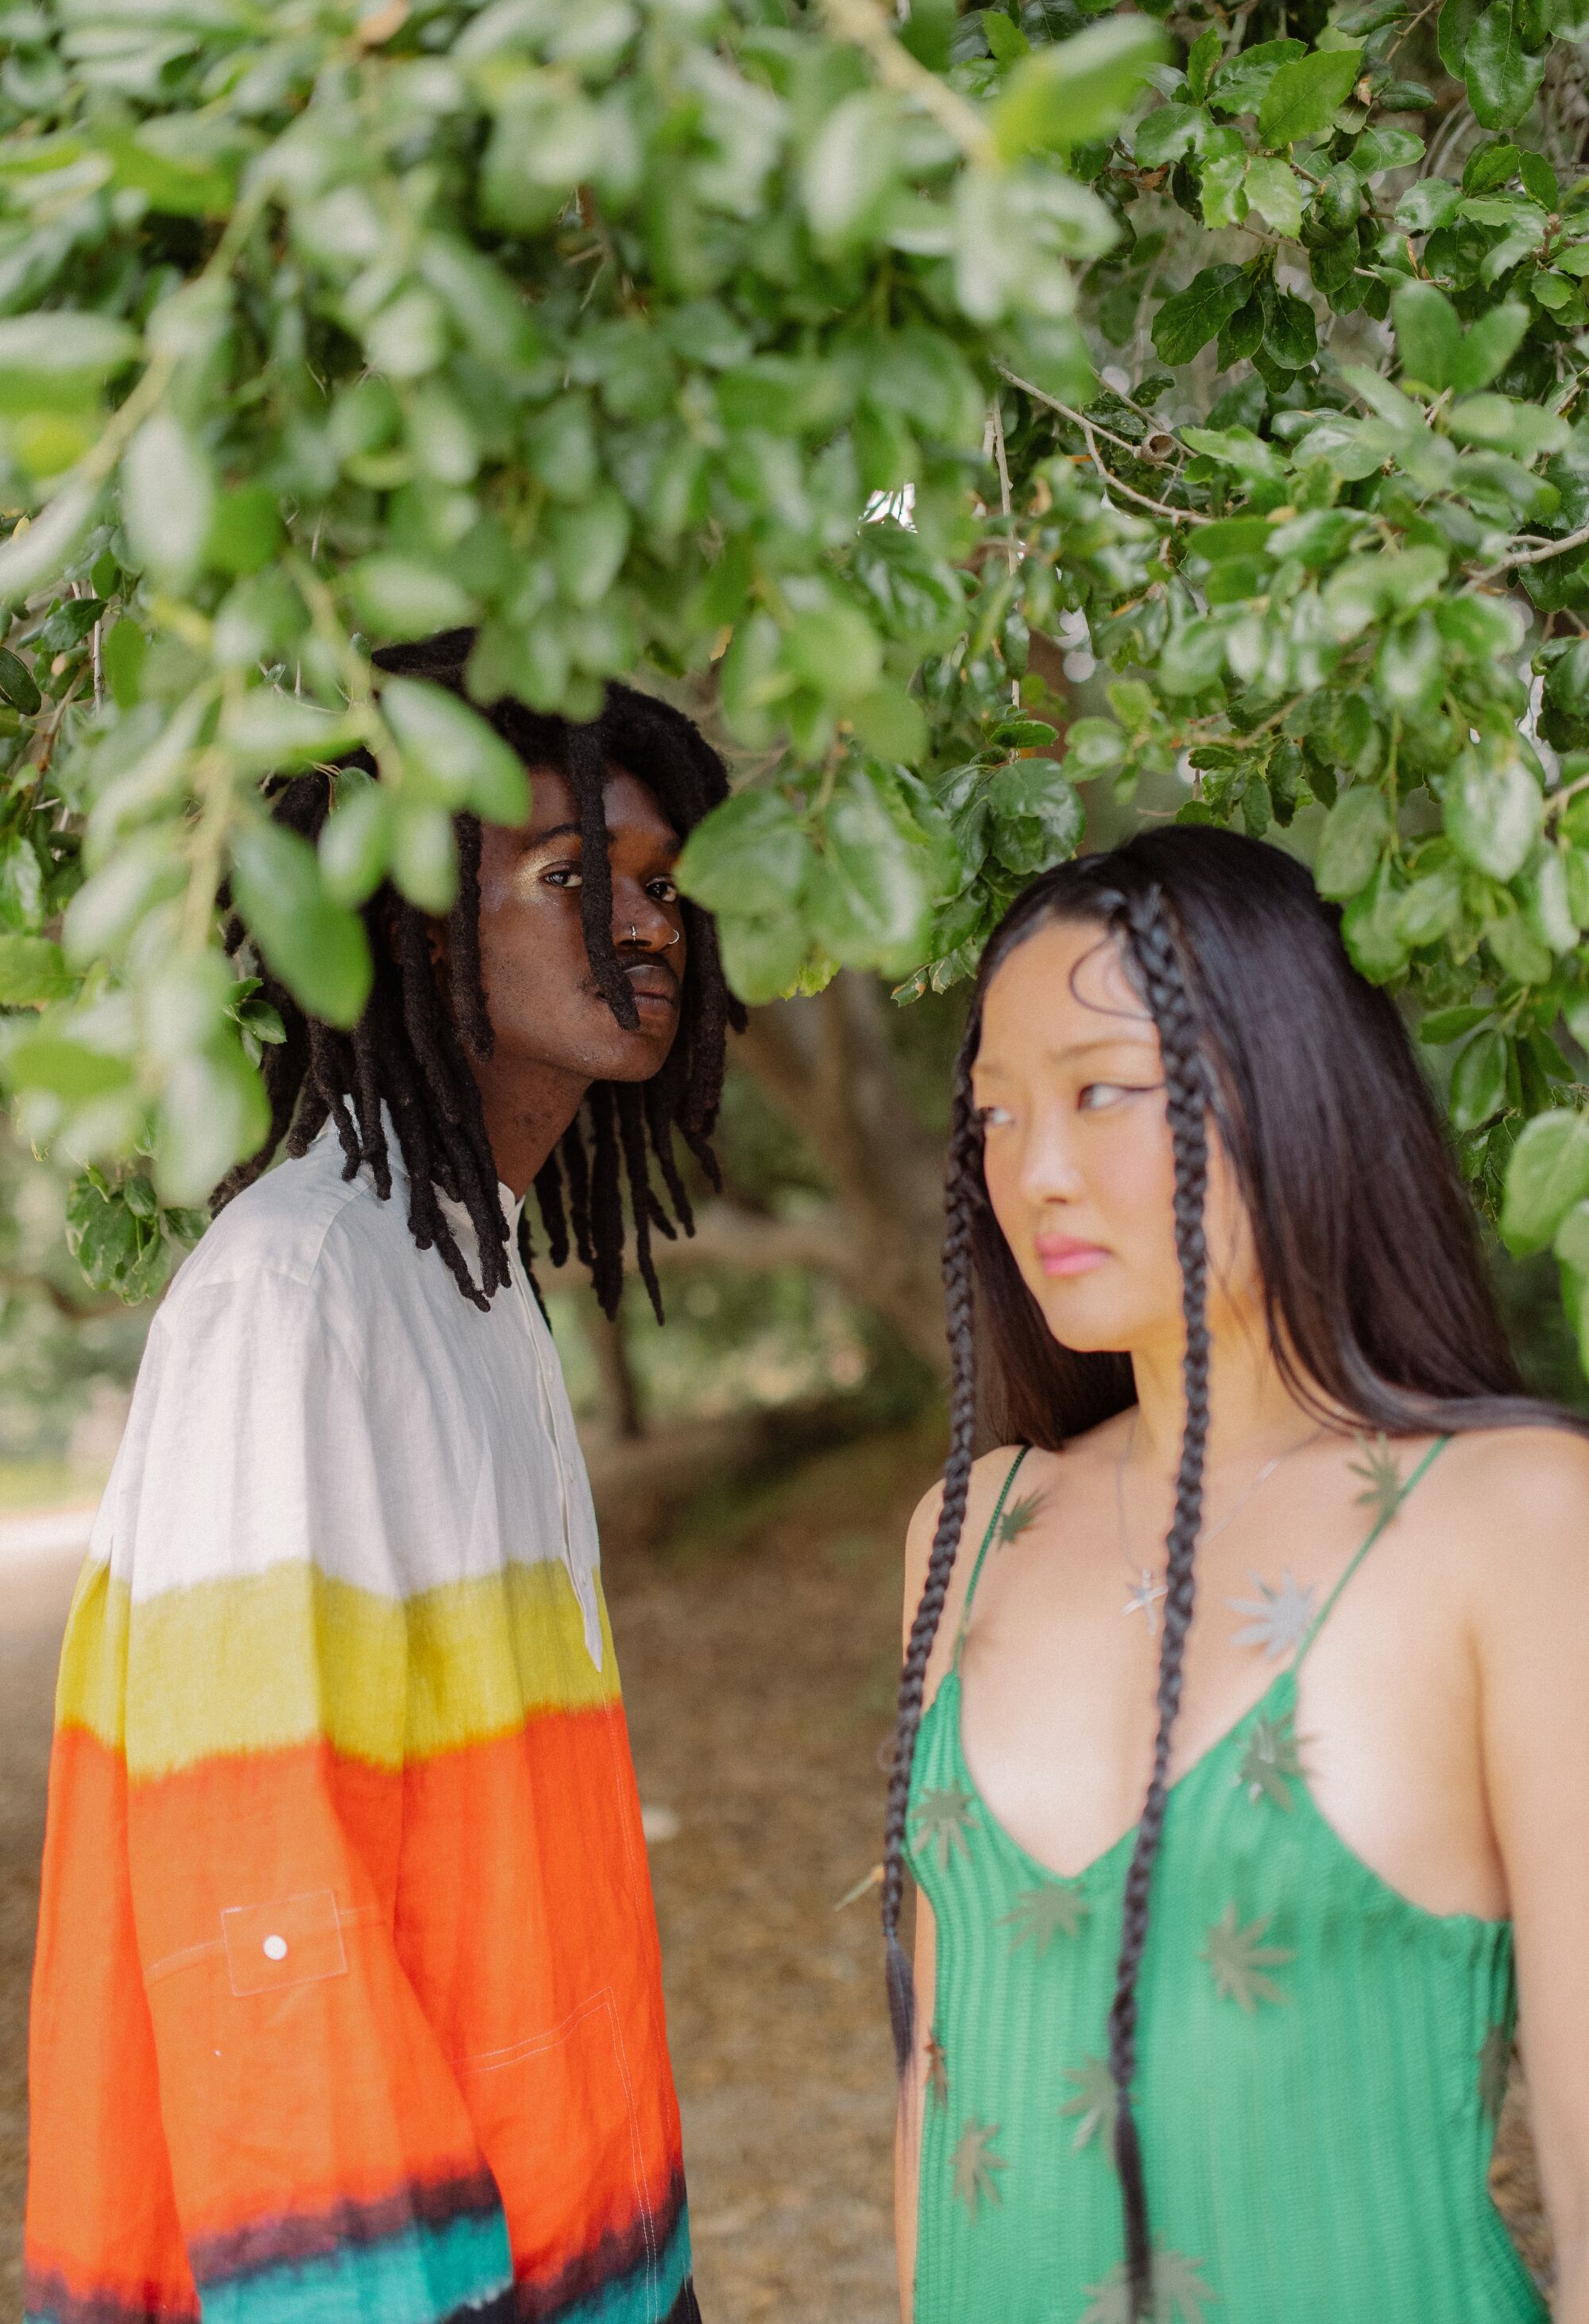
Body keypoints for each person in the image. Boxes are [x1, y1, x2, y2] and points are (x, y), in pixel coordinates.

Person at [25, 631, 744, 2324]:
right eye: (574, 872)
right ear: (413, 920)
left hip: (572, 2230)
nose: (647, 921)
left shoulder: (464, 1278)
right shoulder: (301, 1294)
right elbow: (258, 1903)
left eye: (661, 881)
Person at [885, 826, 1589, 2324]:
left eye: (1101, 1092)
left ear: (1286, 1087)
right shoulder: (968, 1527)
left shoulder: (1512, 1521)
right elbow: (939, 2098)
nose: (1036, 1172)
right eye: (995, 1117)